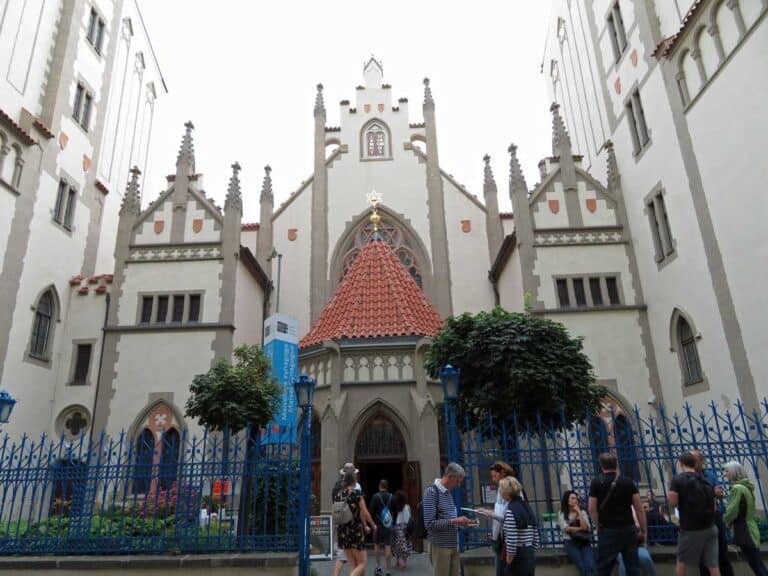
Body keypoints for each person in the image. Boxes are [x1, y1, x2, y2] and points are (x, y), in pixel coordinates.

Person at [588, 452, 646, 576]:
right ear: (617, 464)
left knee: (603, 568)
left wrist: (598, 526)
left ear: (601, 466)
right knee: (632, 566)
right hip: (628, 529)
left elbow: (592, 508)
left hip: (607, 529)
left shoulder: (596, 482)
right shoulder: (628, 482)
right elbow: (639, 508)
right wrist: (643, 530)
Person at [668, 451, 720, 576]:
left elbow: (673, 503)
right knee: (713, 565)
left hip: (690, 527)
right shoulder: (706, 480)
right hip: (710, 526)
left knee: (682, 562)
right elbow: (714, 505)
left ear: (681, 464)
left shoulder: (678, 480)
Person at [423, 462, 473, 576]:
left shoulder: (447, 493)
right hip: (440, 547)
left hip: (452, 545)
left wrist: (462, 524)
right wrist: (455, 521)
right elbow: (429, 524)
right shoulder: (431, 492)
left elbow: (449, 519)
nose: (459, 485)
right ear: (450, 477)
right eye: (458, 481)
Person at [691, 450, 734, 576]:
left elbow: (719, 493)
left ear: (702, 461)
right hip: (698, 518)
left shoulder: (710, 475)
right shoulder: (686, 478)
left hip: (715, 516)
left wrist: (712, 493)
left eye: (695, 460)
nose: (692, 462)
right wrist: (711, 493)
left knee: (721, 550)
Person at [722, 461, 768, 576]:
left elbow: (732, 510)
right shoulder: (746, 486)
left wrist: (726, 521)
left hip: (744, 530)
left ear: (734, 472)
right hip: (750, 527)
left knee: (756, 564)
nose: (725, 474)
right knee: (757, 563)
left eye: (726, 471)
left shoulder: (737, 488)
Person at [336, 470, 376, 576]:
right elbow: (365, 512)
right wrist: (373, 524)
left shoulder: (339, 494)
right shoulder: (357, 494)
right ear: (354, 481)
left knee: (353, 564)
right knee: (363, 563)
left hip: (342, 531)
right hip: (355, 531)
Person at [501, 476, 539, 575]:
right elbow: (535, 533)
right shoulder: (526, 506)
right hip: (529, 552)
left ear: (507, 493)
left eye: (501, 489)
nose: (500, 492)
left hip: (518, 555)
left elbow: (512, 538)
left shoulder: (510, 511)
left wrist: (509, 559)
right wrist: (530, 550)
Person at [332, 463, 362, 576]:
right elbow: (360, 506)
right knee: (353, 561)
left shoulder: (336, 486)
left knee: (342, 557)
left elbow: (333, 505)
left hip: (340, 524)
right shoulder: (356, 487)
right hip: (353, 526)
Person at [558, 490, 594, 576]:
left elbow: (586, 527)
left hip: (584, 541)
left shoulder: (583, 512)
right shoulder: (562, 513)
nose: (575, 500)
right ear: (567, 500)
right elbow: (566, 528)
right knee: (581, 566)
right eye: (573, 498)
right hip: (570, 542)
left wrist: (578, 512)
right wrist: (581, 528)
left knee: (589, 566)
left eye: (576, 498)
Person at [488, 461, 515, 576]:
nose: (493, 479)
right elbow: (501, 511)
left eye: (495, 476)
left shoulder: (510, 488)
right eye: (492, 476)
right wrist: (490, 512)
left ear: (503, 473)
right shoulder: (500, 489)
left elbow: (508, 515)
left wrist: (492, 514)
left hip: (507, 538)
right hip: (499, 536)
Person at [617, 505, 657, 576]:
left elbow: (640, 528)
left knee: (645, 559)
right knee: (624, 562)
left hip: (635, 543)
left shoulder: (635, 508)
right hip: (620, 545)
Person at [369, 478, 394, 576]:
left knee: (377, 545)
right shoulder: (392, 497)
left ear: (379, 486)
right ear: (387, 487)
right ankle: (388, 570)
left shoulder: (375, 496)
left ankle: (378, 567)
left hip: (378, 525)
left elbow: (371, 511)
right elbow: (395, 511)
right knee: (388, 546)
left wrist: (372, 523)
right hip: (388, 526)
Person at [392, 489, 412, 570]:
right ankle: (404, 562)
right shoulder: (407, 506)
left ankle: (397, 561)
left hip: (397, 527)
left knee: (397, 544)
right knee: (406, 544)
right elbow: (409, 518)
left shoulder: (396, 507)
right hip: (406, 527)